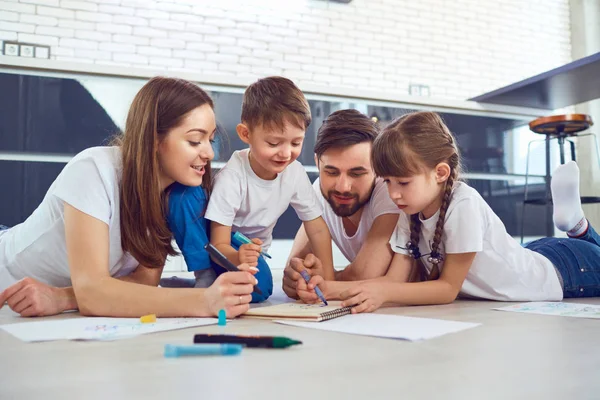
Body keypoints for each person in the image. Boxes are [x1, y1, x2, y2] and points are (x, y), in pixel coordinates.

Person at [0, 77, 256, 318]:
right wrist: (205, 301)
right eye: (194, 141)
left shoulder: (172, 195)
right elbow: (92, 292)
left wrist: (64, 298)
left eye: (210, 140)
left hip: (52, 313)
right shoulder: (93, 170)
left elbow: (143, 281)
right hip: (9, 285)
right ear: (154, 139)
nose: (209, 153)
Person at [299, 111, 600, 313]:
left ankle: (576, 225)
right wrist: (328, 288)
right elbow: (395, 279)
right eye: (388, 182)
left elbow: (446, 289)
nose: (393, 194)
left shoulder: (463, 204)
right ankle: (575, 224)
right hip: (535, 253)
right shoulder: (409, 209)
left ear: (440, 172)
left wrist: (382, 295)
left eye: (402, 182)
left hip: (567, 272)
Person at [205, 76, 334, 301]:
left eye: (296, 143)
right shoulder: (232, 177)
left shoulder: (294, 172)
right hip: (223, 249)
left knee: (260, 285)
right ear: (246, 134)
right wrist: (237, 257)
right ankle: (202, 282)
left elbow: (318, 228)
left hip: (256, 254)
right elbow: (218, 244)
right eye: (274, 143)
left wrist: (329, 280)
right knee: (260, 289)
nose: (285, 153)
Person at [282, 109, 400, 300]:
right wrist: (297, 279)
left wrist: (322, 280)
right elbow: (295, 266)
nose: (343, 187)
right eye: (332, 172)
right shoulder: (317, 192)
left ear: (377, 168)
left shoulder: (389, 191)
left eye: (356, 173)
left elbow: (364, 275)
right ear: (317, 162)